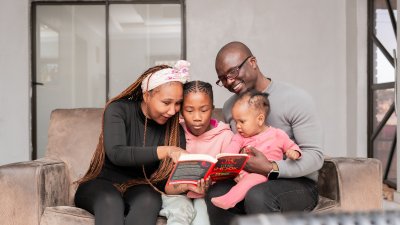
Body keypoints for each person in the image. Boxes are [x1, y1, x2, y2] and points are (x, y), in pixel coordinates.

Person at [205, 41, 324, 225]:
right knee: (216, 193)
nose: (229, 82)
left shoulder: (295, 99)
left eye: (233, 72)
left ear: (252, 62)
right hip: (247, 178)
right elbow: (236, 147)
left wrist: (271, 167)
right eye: (222, 78)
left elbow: (315, 157)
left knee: (258, 195)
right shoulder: (231, 107)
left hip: (297, 183)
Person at [74, 60, 193, 225]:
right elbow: (117, 153)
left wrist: (185, 186)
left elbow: (163, 182)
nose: (173, 111)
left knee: (149, 200)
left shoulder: (175, 131)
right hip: (101, 183)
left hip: (140, 186)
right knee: (110, 201)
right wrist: (167, 151)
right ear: (147, 95)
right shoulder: (118, 110)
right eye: (166, 102)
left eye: (178, 103)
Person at [210, 90, 301, 210]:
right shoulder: (240, 136)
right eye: (236, 121)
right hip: (242, 174)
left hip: (264, 175)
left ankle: (229, 200)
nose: (237, 126)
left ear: (260, 119)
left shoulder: (277, 135)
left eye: (242, 121)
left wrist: (293, 152)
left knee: (251, 179)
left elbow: (291, 146)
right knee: (221, 178)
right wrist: (224, 158)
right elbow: (232, 147)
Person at [160, 80, 234, 225]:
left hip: (206, 195)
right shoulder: (174, 132)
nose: (197, 118)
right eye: (189, 110)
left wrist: (207, 187)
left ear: (212, 108)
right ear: (181, 111)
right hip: (177, 195)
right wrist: (187, 186)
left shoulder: (225, 136)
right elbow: (166, 187)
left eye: (204, 110)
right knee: (180, 212)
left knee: (202, 218)